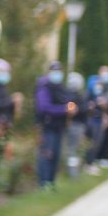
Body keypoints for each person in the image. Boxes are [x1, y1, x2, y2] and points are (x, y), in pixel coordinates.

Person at [34, 60, 71, 188]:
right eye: (55, 71)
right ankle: (43, 182)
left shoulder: (61, 87)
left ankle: (51, 181)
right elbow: (43, 107)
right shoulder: (44, 87)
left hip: (59, 126)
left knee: (55, 155)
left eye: (59, 71)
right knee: (46, 154)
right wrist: (63, 109)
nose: (57, 74)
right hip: (47, 126)